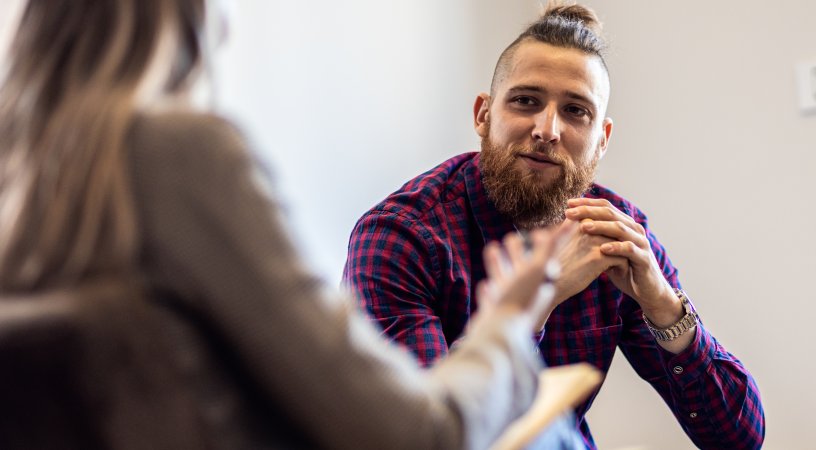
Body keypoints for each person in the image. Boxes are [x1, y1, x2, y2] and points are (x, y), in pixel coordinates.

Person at [0, 0, 573, 448]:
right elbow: (417, 436)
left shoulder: (21, 182)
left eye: (575, 110)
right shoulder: (174, 156)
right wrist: (509, 321)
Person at [344, 2, 766, 448]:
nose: (547, 129)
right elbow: (423, 437)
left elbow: (738, 439)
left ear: (601, 141)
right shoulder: (400, 237)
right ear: (483, 116)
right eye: (526, 101)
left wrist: (663, 305)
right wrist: (533, 307)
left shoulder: (618, 234)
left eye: (575, 111)